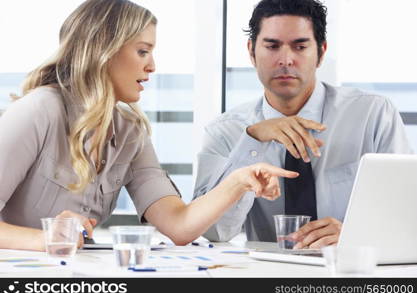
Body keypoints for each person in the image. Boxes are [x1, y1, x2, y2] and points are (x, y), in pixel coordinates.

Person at [0, 0, 298, 252]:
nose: (152, 65)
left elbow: (179, 226)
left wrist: (238, 182)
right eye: (142, 51)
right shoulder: (39, 110)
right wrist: (46, 239)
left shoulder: (130, 132)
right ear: (104, 51)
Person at [193, 0, 413, 248]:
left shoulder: (373, 114)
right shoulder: (225, 131)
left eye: (299, 46)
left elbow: (405, 215)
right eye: (272, 46)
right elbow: (214, 232)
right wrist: (252, 141)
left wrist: (356, 235)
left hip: (351, 274)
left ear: (321, 52)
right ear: (251, 51)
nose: (285, 60)